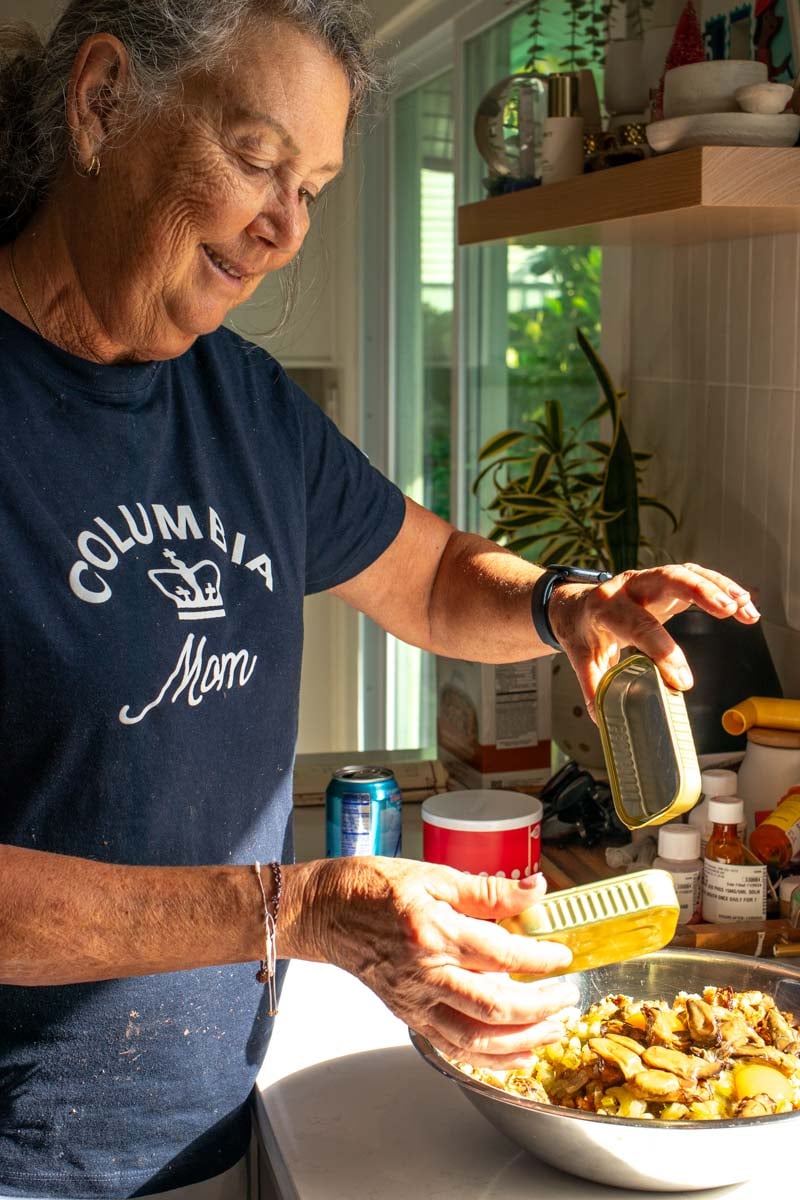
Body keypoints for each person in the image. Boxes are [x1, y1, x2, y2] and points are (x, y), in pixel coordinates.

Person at [0, 2, 760, 1197]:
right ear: (101, 104)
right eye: (255, 162)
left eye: (311, 187)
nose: (282, 228)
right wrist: (291, 908)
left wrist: (565, 599)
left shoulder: (243, 408)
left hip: (205, 1133)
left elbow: (431, 573)